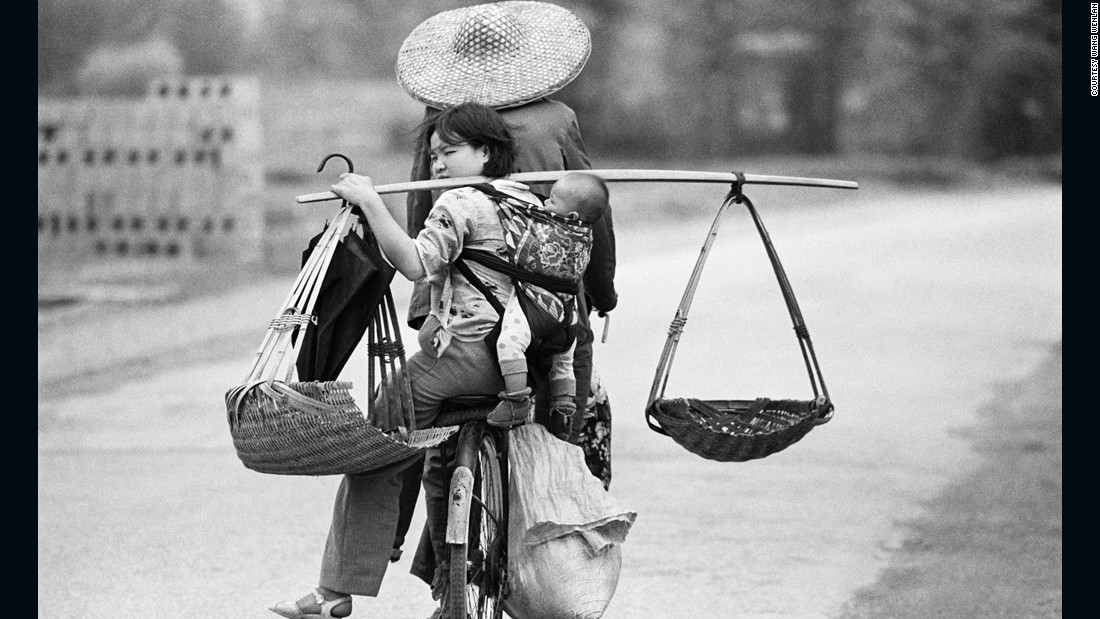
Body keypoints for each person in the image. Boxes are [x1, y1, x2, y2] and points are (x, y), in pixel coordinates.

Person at [270, 102, 539, 619]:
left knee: (376, 442)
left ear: (486, 152)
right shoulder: (525, 200)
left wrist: (371, 202)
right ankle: (408, 546)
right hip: (517, 361)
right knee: (415, 436)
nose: (437, 165)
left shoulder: (460, 203)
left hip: (465, 357)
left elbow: (416, 263)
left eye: (450, 152)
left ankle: (338, 587)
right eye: (434, 155)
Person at [391, 0, 620, 591]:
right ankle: (551, 568)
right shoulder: (558, 119)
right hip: (551, 305)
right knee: (556, 432)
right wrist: (601, 292)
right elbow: (592, 212)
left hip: (465, 304)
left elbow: (424, 215)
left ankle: (446, 572)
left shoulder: (444, 126)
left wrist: (425, 304)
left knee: (443, 440)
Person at [484, 172, 611, 431]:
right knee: (563, 359)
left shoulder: (548, 231)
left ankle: (516, 401)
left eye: (552, 201)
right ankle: (564, 402)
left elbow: (518, 228)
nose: (544, 205)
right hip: (567, 317)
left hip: (537, 309)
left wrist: (493, 195)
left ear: (572, 217)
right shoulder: (585, 237)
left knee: (509, 343)